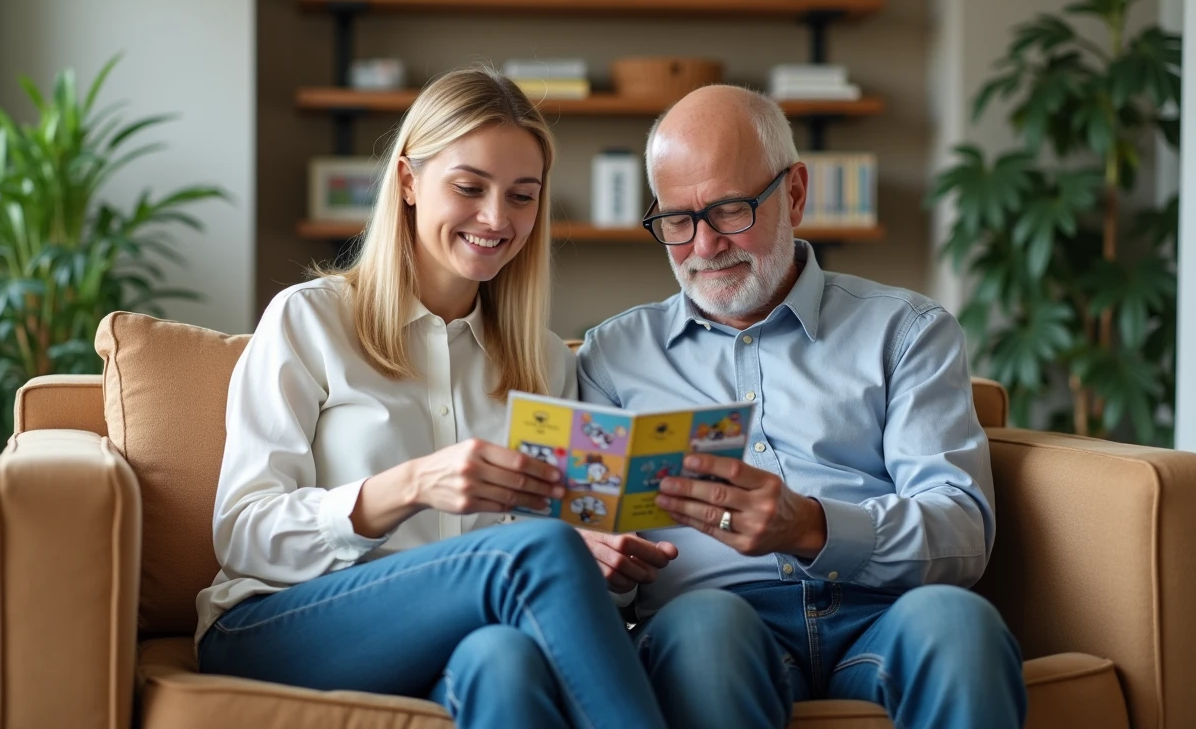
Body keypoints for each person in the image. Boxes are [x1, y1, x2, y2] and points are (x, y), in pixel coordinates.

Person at [196, 68, 668, 729]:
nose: (497, 218)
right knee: (534, 559)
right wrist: (411, 485)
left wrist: (606, 565)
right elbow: (243, 533)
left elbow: (548, 550)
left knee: (505, 659)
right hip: (280, 626)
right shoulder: (309, 321)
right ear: (410, 182)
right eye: (469, 187)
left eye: (522, 196)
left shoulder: (541, 360)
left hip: (466, 631)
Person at [576, 85, 1028, 729]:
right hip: (713, 618)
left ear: (793, 193)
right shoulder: (612, 358)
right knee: (704, 631)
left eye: (730, 210)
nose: (704, 247)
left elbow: (960, 530)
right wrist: (601, 560)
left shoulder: (907, 330)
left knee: (959, 623)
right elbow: (603, 564)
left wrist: (812, 526)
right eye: (677, 220)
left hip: (883, 612)